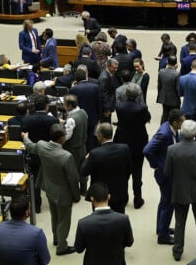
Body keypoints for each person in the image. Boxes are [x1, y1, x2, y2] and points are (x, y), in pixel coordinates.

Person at [24, 124, 81, 255]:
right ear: (61, 138)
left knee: (54, 216)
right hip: (64, 194)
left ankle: (56, 239)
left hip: (49, 188)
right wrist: (76, 196)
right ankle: (62, 247)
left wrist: (25, 137)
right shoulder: (66, 156)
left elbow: (29, 146)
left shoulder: (41, 145)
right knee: (64, 220)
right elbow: (73, 179)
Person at [165, 119, 196, 261]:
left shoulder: (172, 150)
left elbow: (168, 172)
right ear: (195, 133)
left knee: (179, 223)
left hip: (180, 190)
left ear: (181, 132)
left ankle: (177, 251)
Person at [144, 109, 185, 245]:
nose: (183, 124)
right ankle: (163, 236)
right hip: (165, 173)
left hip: (168, 171)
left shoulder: (170, 129)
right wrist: (155, 165)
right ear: (175, 123)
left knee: (164, 201)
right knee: (168, 203)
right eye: (182, 122)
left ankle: (162, 228)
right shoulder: (164, 134)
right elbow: (147, 150)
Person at [82, 123, 132, 213]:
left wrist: (86, 159)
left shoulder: (94, 154)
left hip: (100, 196)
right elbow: (129, 170)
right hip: (120, 192)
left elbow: (83, 172)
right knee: (119, 220)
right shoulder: (125, 148)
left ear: (100, 136)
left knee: (99, 223)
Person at [114, 85, 151, 209]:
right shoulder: (142, 108)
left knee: (123, 172)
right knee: (137, 172)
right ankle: (137, 198)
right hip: (138, 142)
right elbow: (147, 119)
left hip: (122, 141)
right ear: (138, 95)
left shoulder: (119, 107)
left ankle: (123, 198)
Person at [69, 66, 102, 151]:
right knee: (91, 137)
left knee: (79, 137)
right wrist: (99, 117)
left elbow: (71, 105)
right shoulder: (95, 87)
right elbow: (99, 103)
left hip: (79, 119)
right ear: (86, 76)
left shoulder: (74, 89)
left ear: (76, 79)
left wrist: (71, 88)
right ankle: (89, 154)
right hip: (92, 117)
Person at [62, 94, 89, 196]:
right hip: (83, 146)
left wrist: (62, 128)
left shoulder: (71, 120)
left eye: (64, 104)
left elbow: (66, 137)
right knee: (83, 169)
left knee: (72, 172)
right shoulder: (83, 112)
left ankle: (75, 194)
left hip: (72, 149)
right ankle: (84, 190)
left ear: (69, 106)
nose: (63, 106)